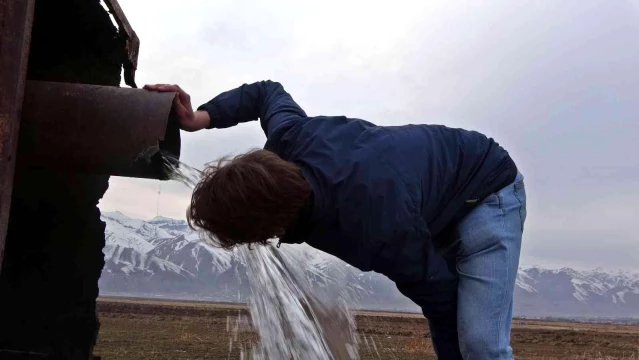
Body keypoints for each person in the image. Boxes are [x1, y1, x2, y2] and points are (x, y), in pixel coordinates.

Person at [144, 81, 527, 360]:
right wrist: (200, 118)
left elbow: (441, 302)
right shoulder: (290, 139)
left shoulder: (374, 228)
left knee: (481, 347)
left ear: (269, 227)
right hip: (427, 199)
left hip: (486, 188)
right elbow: (265, 93)